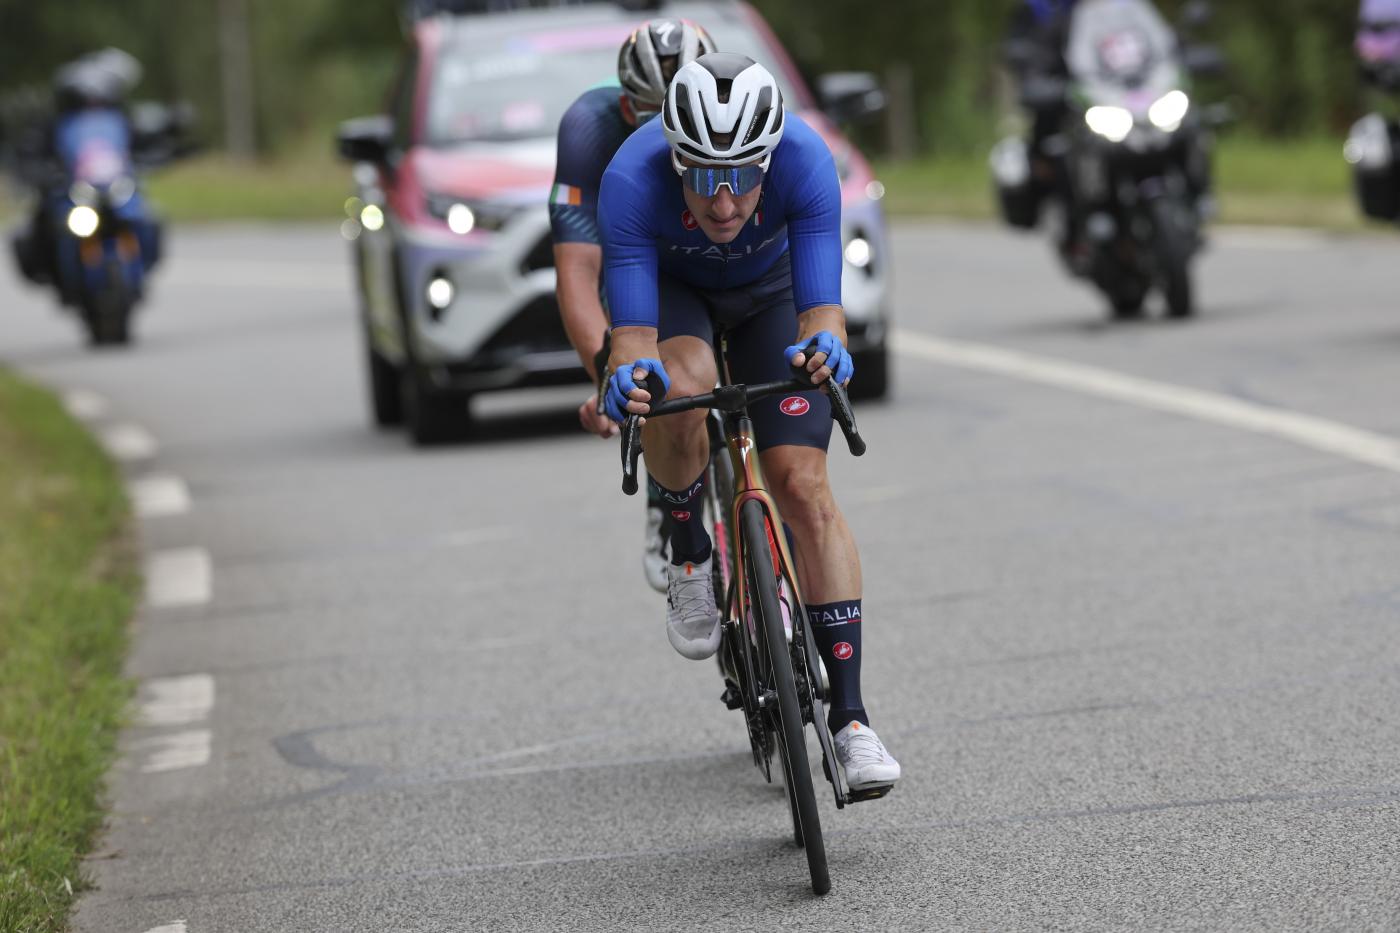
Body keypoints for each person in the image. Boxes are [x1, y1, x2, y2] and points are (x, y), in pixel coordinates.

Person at [597, 53, 900, 791]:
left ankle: (852, 722)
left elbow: (823, 313)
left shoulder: (806, 160)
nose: (725, 203)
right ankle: (688, 548)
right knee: (680, 388)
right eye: (703, 178)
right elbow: (633, 343)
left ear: (769, 158)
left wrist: (828, 346)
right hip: (676, 293)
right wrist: (626, 378)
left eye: (742, 176)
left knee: (802, 486)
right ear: (676, 160)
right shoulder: (631, 178)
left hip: (772, 291)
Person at [550, 19, 716, 593]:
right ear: (627, 108)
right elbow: (578, 271)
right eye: (657, 119)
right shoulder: (588, 128)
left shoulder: (744, 105)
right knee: (661, 388)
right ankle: (666, 495)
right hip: (642, 263)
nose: (675, 138)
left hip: (723, 253)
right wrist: (606, 377)